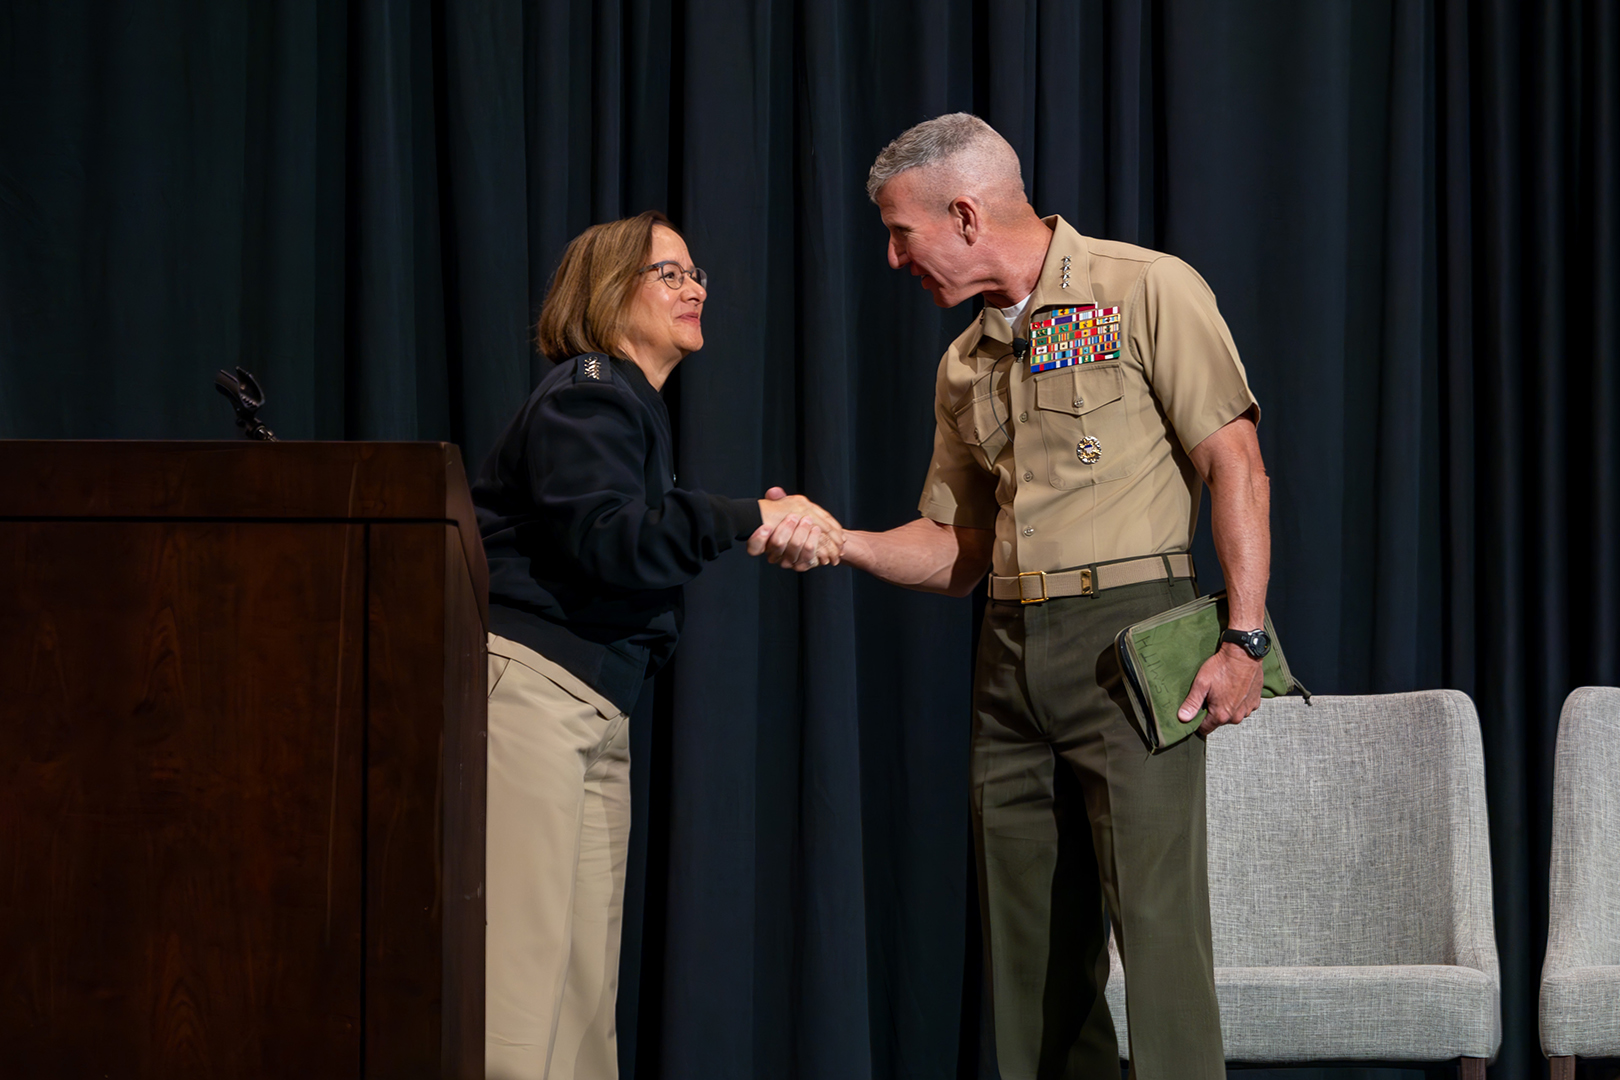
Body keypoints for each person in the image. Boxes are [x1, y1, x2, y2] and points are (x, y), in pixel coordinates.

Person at [754, 114, 1270, 1079]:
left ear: (962, 213)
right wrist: (845, 541)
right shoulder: (965, 362)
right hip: (1009, 658)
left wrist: (1243, 636)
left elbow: (1236, 464)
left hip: (1130, 642)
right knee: (1027, 952)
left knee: (1158, 943)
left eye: (900, 233)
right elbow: (959, 547)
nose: (895, 258)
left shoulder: (1145, 287)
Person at [474, 209, 840, 1080]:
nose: (696, 288)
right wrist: (750, 514)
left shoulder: (624, 406)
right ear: (608, 294)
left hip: (593, 705)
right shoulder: (589, 391)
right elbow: (611, 538)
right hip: (534, 696)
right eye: (669, 274)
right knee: (521, 988)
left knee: (581, 995)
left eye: (695, 272)